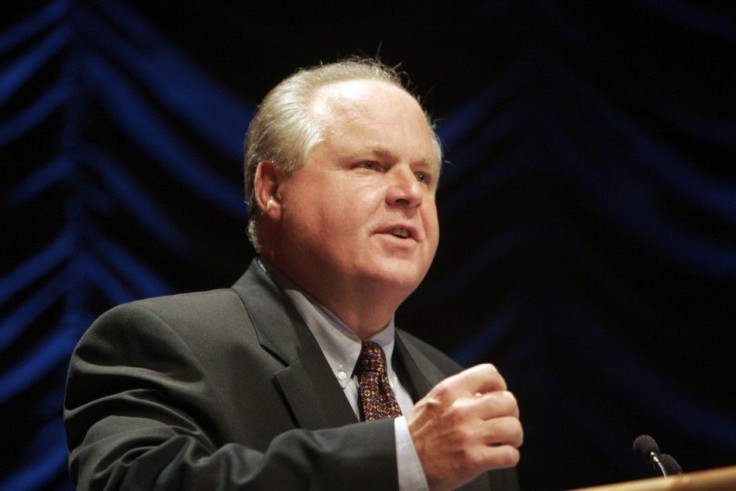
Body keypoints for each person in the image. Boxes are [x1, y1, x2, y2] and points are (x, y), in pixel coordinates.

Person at [64, 58, 523, 490]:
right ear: (272, 189)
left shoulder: (451, 389)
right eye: (371, 165)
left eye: (423, 176)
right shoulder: (160, 344)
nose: (408, 192)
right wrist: (400, 457)